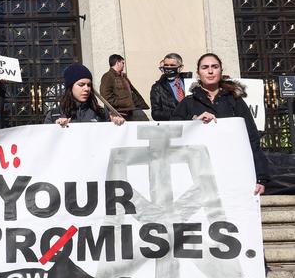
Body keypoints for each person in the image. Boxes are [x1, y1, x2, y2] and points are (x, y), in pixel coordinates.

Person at [44, 63, 124, 278]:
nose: (87, 89)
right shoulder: (55, 113)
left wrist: (117, 124)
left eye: (89, 85)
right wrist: (54, 128)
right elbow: (41, 145)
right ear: (70, 87)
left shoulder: (98, 114)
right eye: (81, 84)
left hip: (95, 186)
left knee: (94, 239)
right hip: (68, 189)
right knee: (71, 240)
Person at [171, 53, 268, 196]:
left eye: (214, 67)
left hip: (232, 172)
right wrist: (194, 122)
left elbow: (252, 138)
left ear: (221, 71)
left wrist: (261, 177)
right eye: (205, 67)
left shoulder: (235, 101)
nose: (210, 71)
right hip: (199, 175)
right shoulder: (188, 103)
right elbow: (172, 132)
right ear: (198, 73)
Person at [99, 54, 149, 121]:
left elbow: (132, 92)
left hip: (129, 112)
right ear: (117, 63)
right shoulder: (107, 76)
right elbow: (105, 96)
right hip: (118, 115)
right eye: (122, 63)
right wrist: (120, 105)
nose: (123, 65)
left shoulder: (123, 77)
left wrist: (136, 104)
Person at [150, 53, 187, 121]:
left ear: (181, 67)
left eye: (172, 65)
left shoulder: (190, 83)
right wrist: (178, 114)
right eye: (166, 65)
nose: (169, 67)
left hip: (191, 126)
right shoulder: (157, 87)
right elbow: (155, 114)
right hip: (171, 126)